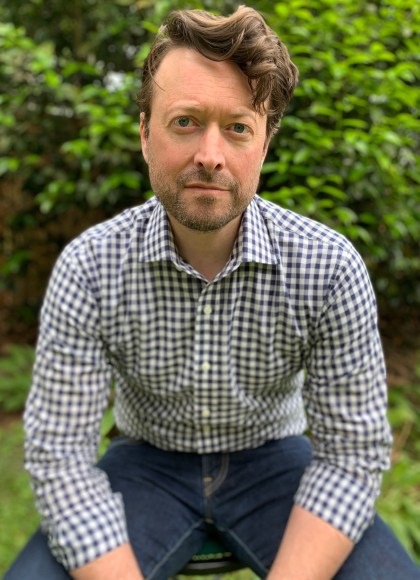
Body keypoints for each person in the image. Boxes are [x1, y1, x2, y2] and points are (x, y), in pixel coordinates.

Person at [5, 6, 420, 580]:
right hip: (144, 465)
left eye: (238, 127)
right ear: (145, 134)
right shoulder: (90, 268)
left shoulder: (328, 268)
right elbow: (61, 456)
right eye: (185, 121)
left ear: (265, 143)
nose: (210, 154)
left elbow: (351, 454)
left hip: (277, 463)